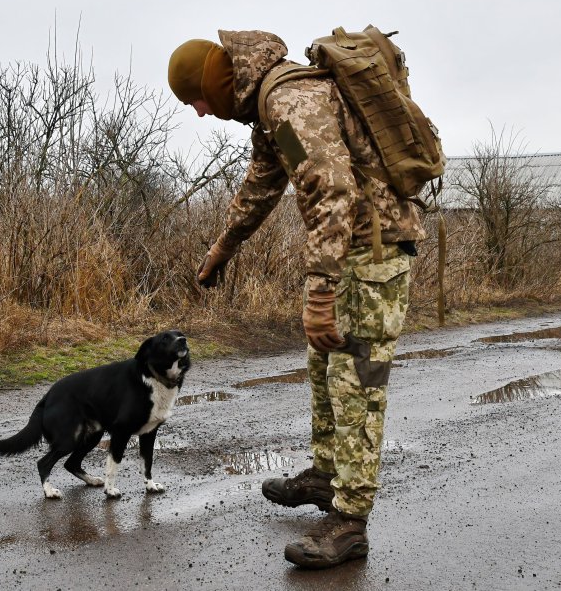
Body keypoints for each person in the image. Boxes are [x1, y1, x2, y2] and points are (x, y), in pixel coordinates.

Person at [167, 30, 425, 569]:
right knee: (324, 363)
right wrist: (223, 247)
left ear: (214, 84)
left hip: (369, 254)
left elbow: (332, 190)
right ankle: (327, 477)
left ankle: (350, 522)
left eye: (193, 100)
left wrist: (321, 288)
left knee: (356, 382)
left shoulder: (289, 98)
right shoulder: (270, 104)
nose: (196, 113)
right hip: (352, 250)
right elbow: (263, 183)